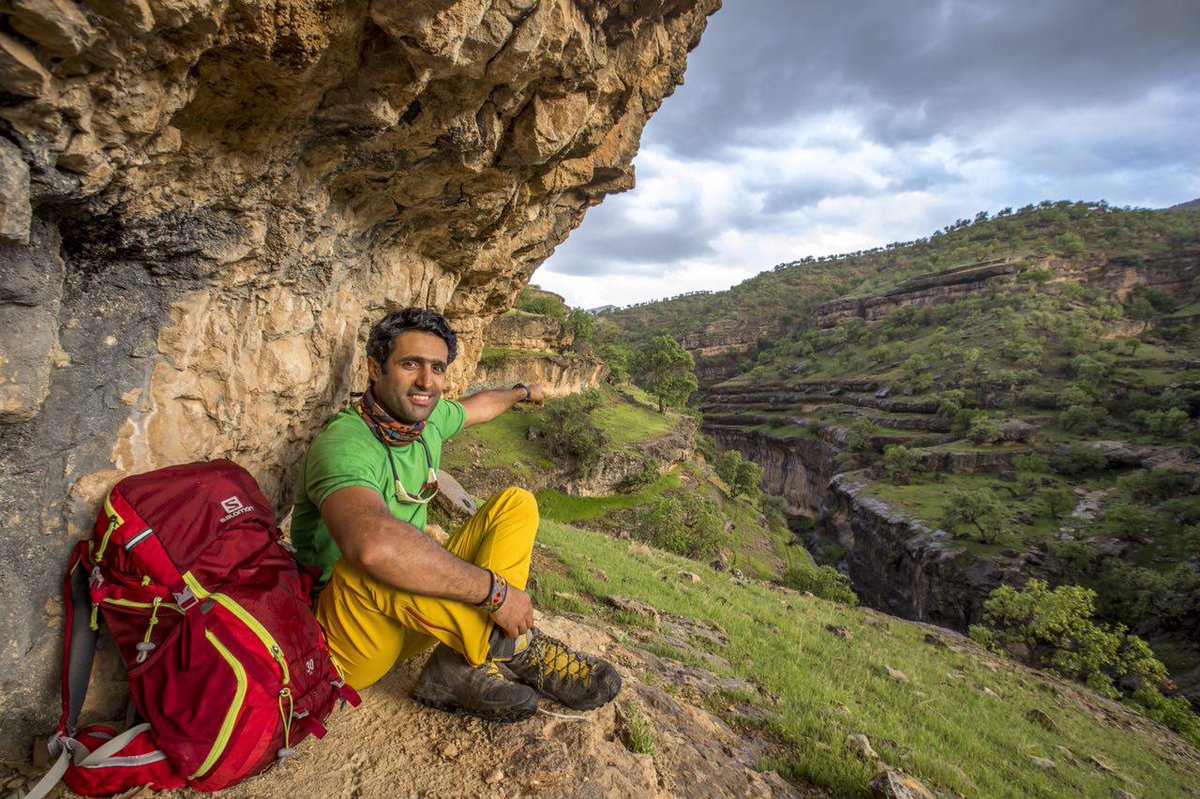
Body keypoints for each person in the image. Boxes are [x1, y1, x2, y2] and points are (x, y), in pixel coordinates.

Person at [289, 307, 620, 722]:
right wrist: (495, 595)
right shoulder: (344, 443)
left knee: (517, 503)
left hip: (411, 620)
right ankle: (517, 647)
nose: (427, 382)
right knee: (375, 559)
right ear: (376, 368)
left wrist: (521, 392)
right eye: (410, 364)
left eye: (437, 368)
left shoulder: (428, 422)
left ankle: (456, 667)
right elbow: (371, 546)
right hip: (349, 637)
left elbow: (479, 406)